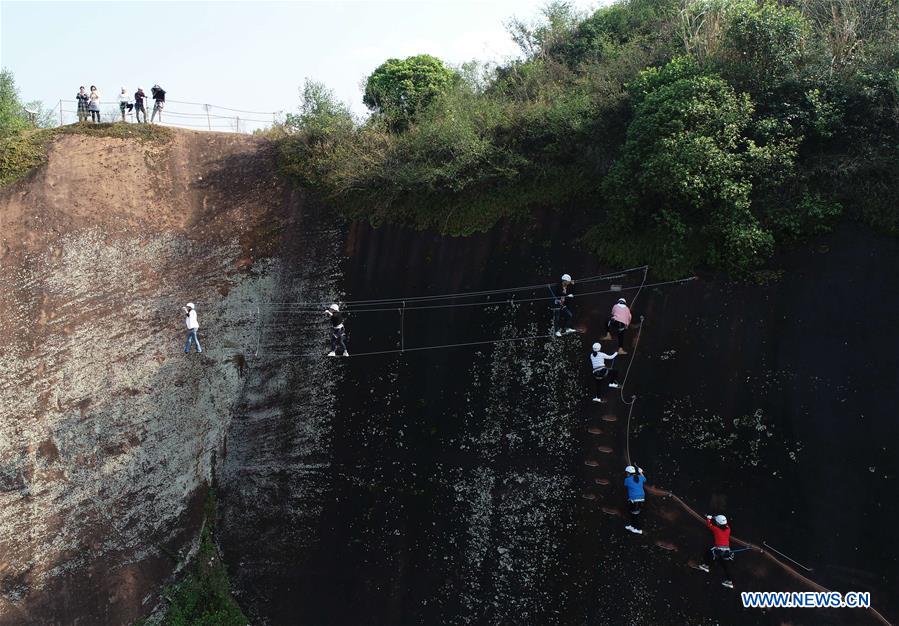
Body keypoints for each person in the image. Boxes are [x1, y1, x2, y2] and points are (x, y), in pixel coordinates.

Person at [697, 514, 735, 589]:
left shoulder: (716, 529)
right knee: (724, 565)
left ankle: (706, 566)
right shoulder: (728, 529)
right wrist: (715, 518)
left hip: (719, 549)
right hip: (726, 551)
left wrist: (709, 518)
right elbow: (725, 524)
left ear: (718, 523)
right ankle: (729, 581)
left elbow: (709, 525)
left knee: (708, 553)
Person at [623, 465, 646, 535]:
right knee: (634, 513)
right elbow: (645, 479)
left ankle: (638, 529)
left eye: (626, 472)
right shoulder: (640, 477)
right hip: (642, 497)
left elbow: (626, 484)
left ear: (628, 472)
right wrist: (641, 472)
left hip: (634, 499)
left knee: (634, 514)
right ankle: (633, 526)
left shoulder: (627, 479)